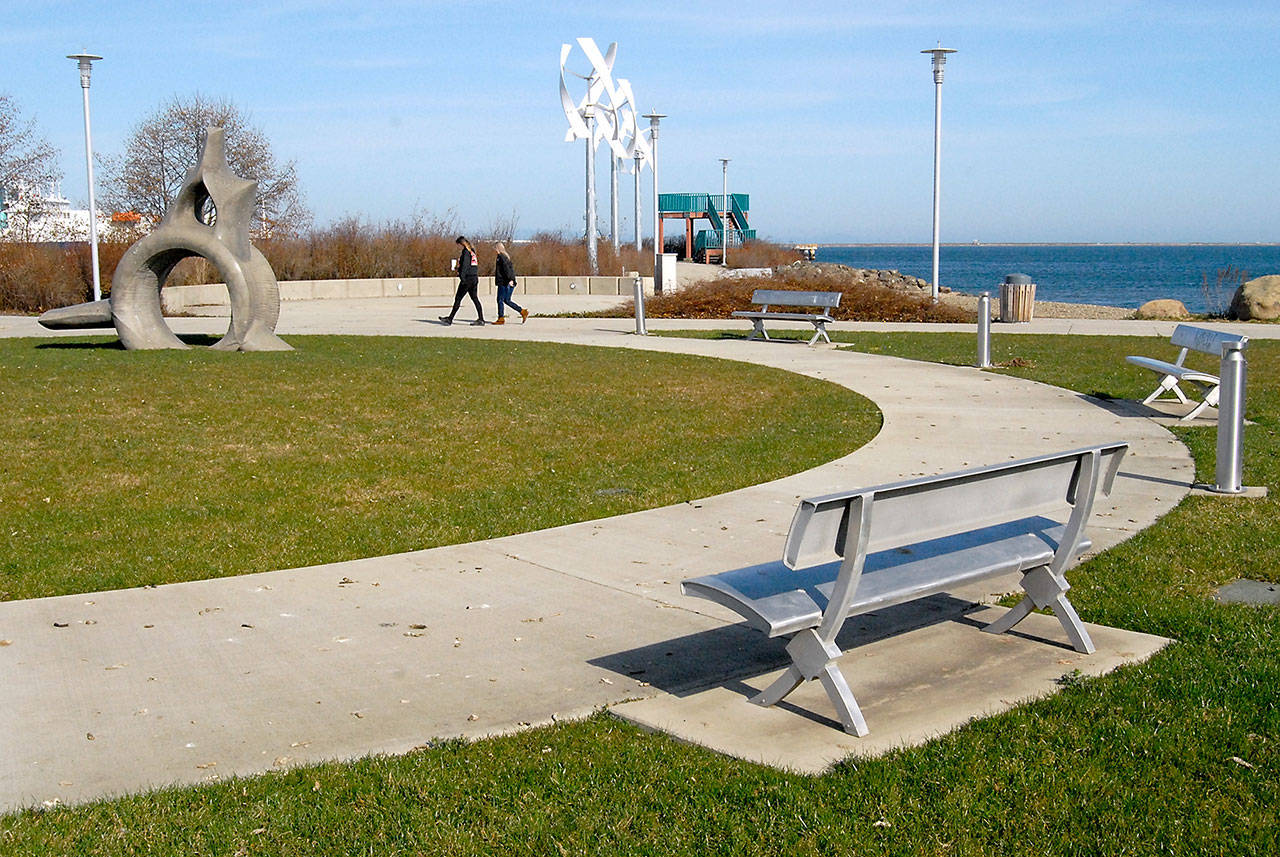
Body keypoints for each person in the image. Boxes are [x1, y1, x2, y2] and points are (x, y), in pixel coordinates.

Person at [440, 236, 485, 326]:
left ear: (461, 244)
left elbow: (465, 266)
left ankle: (450, 319)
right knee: (475, 298)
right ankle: (481, 319)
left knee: (458, 298)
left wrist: (461, 276)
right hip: (474, 278)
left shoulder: (466, 252)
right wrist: (459, 268)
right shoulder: (472, 251)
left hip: (467, 279)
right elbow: (470, 266)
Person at [492, 242, 528, 325]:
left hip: (504, 282)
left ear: (497, 248)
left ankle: (501, 318)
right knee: (507, 300)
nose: (494, 250)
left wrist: (510, 279)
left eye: (495, 248)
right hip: (506, 281)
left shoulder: (501, 257)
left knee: (500, 300)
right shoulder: (505, 256)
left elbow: (507, 269)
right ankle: (522, 311)